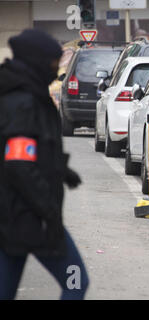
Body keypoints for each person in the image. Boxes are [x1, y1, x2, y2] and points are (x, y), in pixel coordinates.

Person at [0, 29, 89, 299]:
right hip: (30, 218)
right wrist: (47, 209)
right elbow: (18, 162)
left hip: (13, 219)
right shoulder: (24, 101)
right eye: (53, 62)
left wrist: (62, 170)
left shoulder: (27, 92)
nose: (56, 68)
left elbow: (32, 149)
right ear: (37, 61)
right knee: (76, 281)